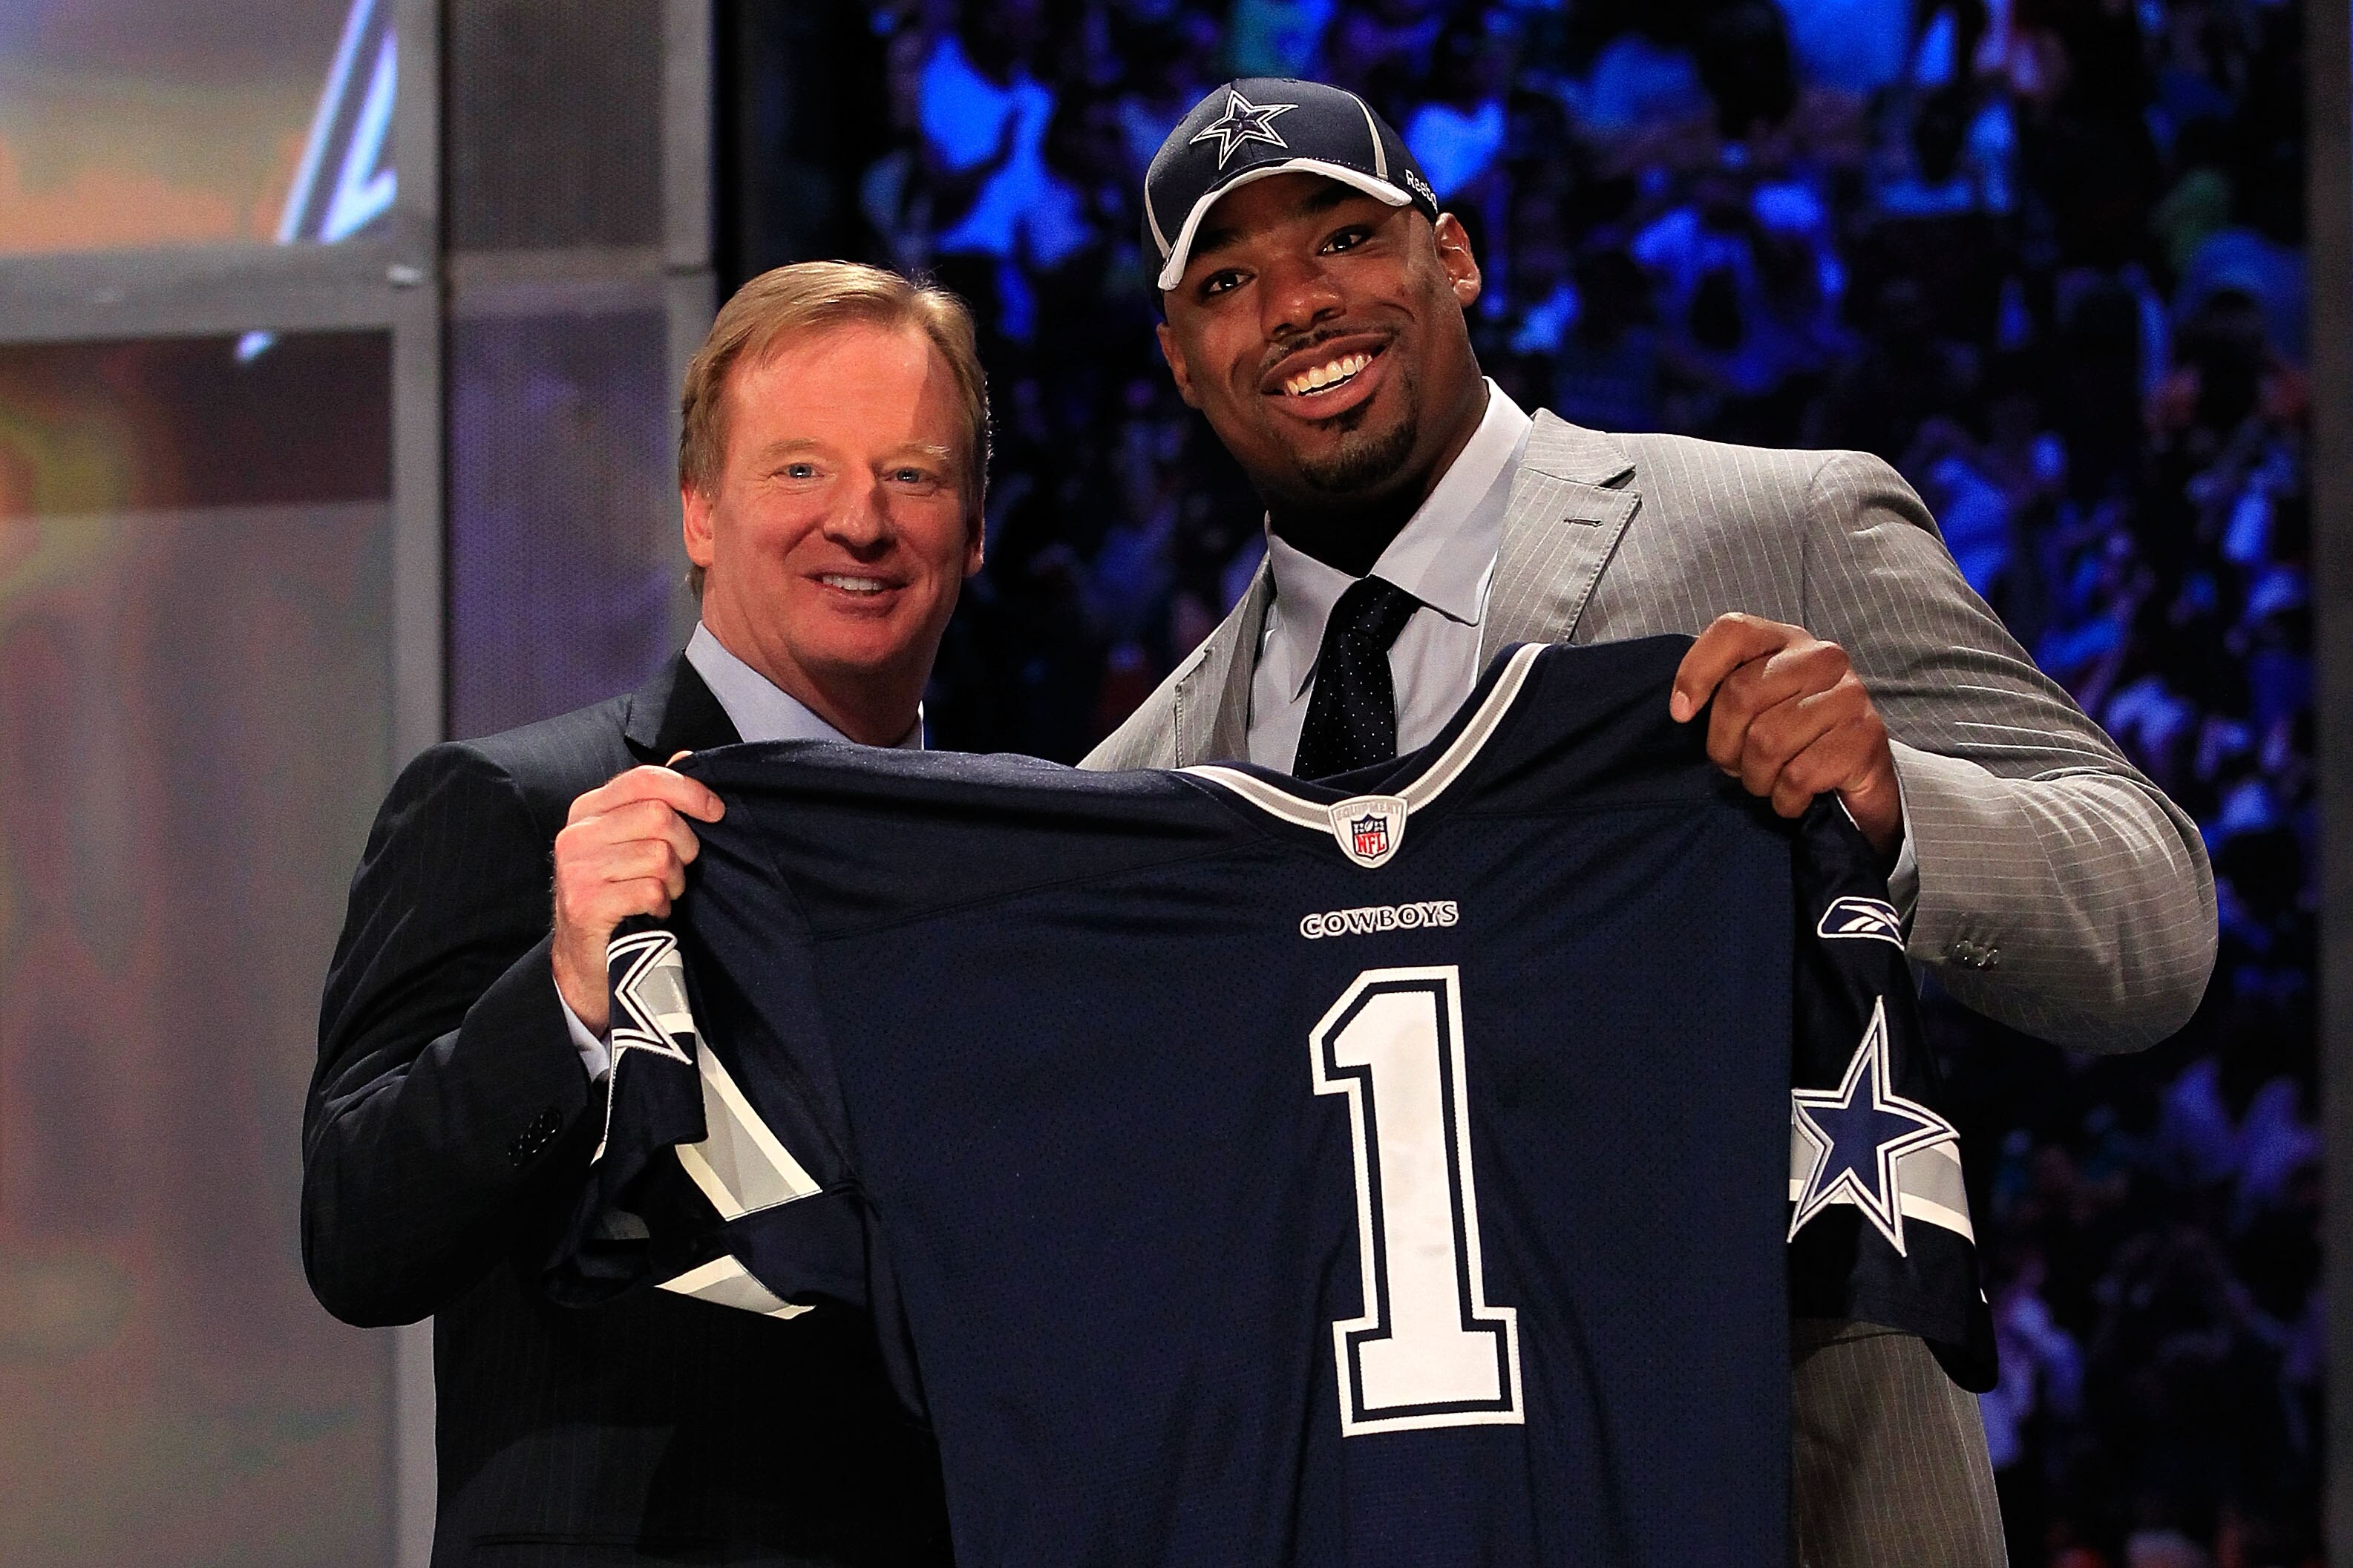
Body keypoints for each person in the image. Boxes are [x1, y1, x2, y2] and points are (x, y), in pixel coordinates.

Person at [1086, 79, 2218, 1568]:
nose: (1296, 303)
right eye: (1225, 282)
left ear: (1456, 255)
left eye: (1343, 238)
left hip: (1788, 1508)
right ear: (1178, 360)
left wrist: (1893, 803)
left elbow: (2155, 923)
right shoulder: (1140, 792)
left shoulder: (1780, 527)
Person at [304, 261, 984, 1567]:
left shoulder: (1012, 868)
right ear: (698, 514)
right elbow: (357, 1233)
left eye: (912, 474)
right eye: (797, 471)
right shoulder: (511, 807)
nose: (860, 521)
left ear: (974, 523)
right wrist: (561, 999)